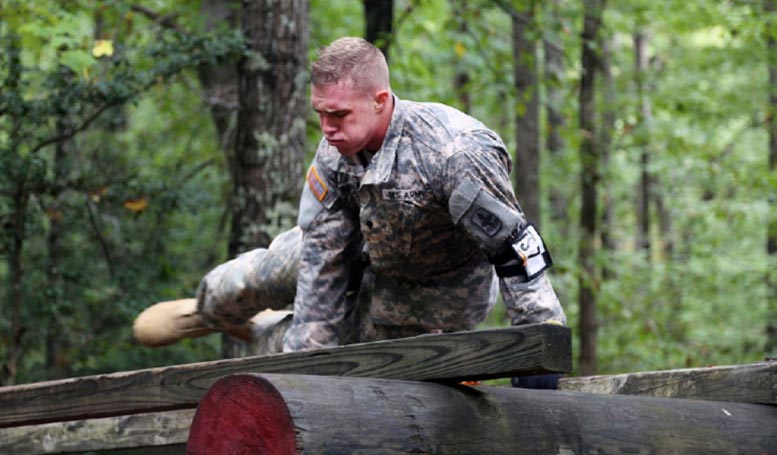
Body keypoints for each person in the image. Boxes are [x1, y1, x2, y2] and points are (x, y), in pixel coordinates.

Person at [134, 36, 565, 361]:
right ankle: (209, 310)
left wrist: (540, 345)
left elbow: (516, 250)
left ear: (380, 101)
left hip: (432, 289)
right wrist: (307, 346)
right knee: (270, 273)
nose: (326, 127)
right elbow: (323, 255)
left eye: (338, 114)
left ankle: (259, 329)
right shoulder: (336, 149)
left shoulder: (455, 153)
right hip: (357, 245)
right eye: (319, 113)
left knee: (333, 358)